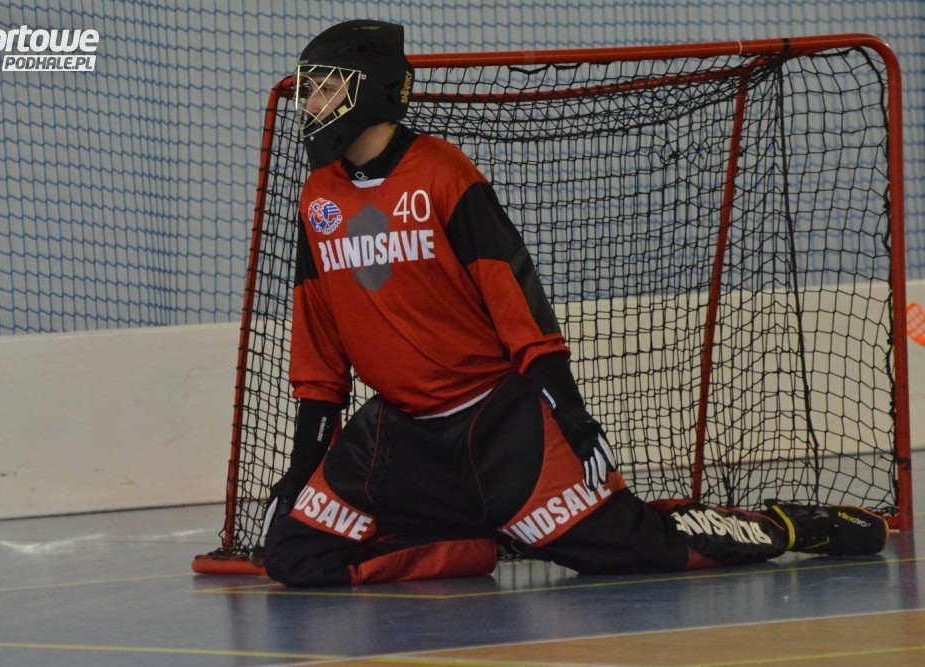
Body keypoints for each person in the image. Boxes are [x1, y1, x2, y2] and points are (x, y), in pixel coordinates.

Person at [260, 19, 889, 587]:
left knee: (638, 551)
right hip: (400, 435)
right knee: (295, 555)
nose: (309, 103)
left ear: (371, 91)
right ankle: (482, 540)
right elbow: (320, 343)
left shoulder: (444, 174)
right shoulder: (318, 198)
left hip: (497, 424)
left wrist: (572, 414)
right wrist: (301, 467)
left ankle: (783, 526)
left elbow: (517, 303)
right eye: (309, 89)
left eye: (325, 88)